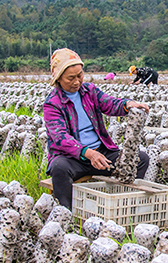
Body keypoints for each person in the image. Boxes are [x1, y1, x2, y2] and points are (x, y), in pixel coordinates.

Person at [44, 48, 150, 210]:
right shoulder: (52, 103)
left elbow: (110, 103)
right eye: (70, 78)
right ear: (58, 78)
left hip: (101, 154)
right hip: (73, 159)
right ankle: (66, 214)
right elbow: (60, 137)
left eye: (79, 75)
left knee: (140, 159)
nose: (77, 82)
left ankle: (125, 205)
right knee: (59, 168)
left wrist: (128, 104)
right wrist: (88, 153)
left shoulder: (89, 91)